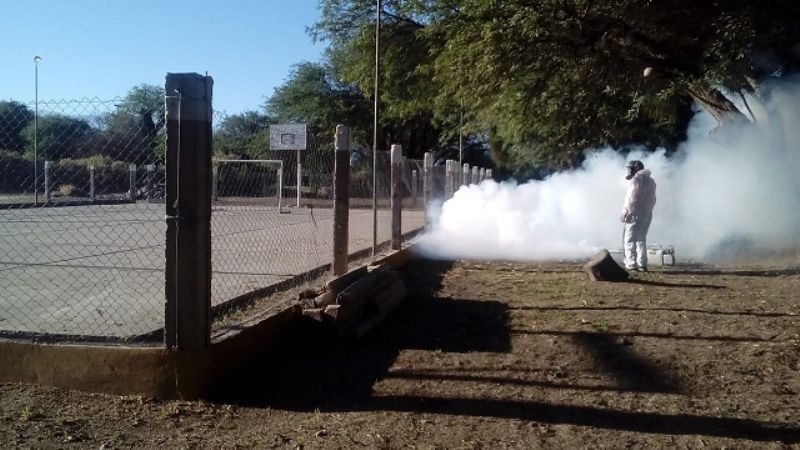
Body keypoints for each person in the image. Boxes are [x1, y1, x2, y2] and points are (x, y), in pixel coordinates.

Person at [619, 160, 657, 271]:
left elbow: (631, 198)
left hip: (634, 214)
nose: (629, 171)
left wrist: (625, 212)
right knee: (641, 239)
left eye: (630, 168)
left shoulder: (635, 180)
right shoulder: (651, 181)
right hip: (646, 214)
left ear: (635, 168)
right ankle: (642, 264)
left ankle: (631, 264)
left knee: (629, 239)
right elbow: (653, 199)